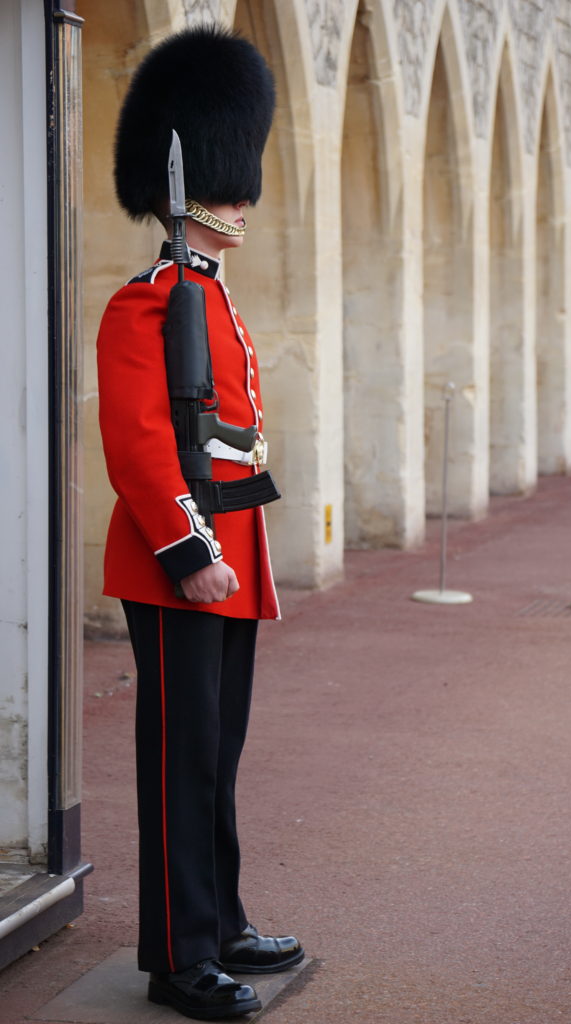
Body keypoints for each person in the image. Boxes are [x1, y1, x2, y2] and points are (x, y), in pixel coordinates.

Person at [96, 25, 303, 1020]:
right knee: (181, 759)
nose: (238, 194)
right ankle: (177, 958)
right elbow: (139, 447)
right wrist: (189, 550)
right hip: (181, 562)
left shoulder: (212, 301)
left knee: (215, 754)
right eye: (224, 178)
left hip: (231, 548)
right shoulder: (148, 303)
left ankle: (217, 921)